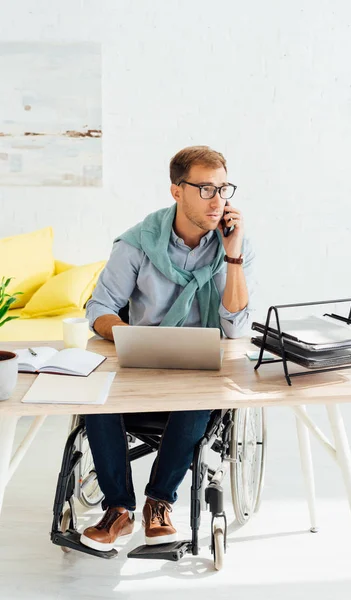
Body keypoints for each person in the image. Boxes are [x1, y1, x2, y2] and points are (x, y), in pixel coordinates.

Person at [81, 145, 255, 552]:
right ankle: (118, 509)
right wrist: (128, 336)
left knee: (196, 396)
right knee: (92, 398)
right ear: (177, 192)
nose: (219, 201)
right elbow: (99, 307)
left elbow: (236, 326)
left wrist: (232, 257)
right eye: (206, 189)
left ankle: (159, 501)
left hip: (199, 373)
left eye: (224, 189)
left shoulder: (236, 246)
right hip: (140, 369)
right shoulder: (138, 244)